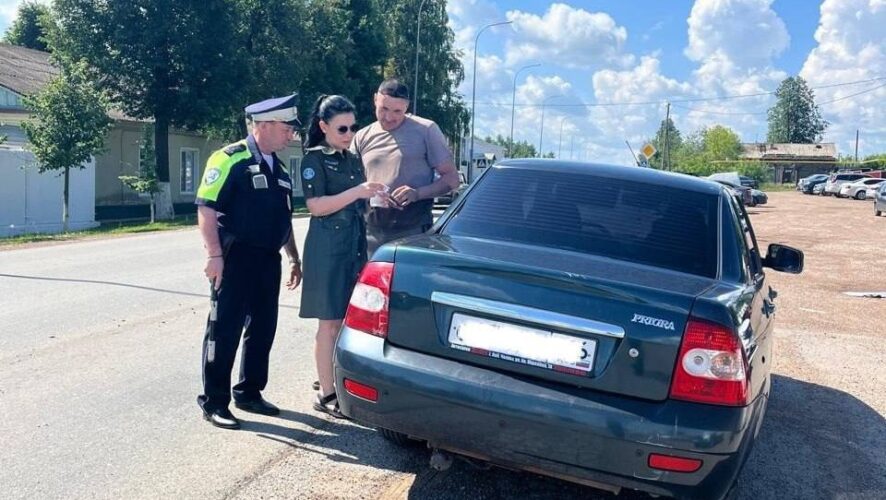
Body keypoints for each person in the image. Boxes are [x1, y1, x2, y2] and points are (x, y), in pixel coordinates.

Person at [195, 94, 303, 430]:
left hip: (268, 259)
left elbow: (283, 218)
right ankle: (214, 402)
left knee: (263, 327)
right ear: (265, 125)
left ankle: (249, 392)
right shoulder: (229, 159)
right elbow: (206, 207)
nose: (291, 135)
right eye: (287, 128)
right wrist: (214, 255)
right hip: (235, 257)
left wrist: (294, 257)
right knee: (224, 329)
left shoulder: (280, 169)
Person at [299, 95, 386, 418]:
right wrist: (357, 192)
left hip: (353, 245)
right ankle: (327, 393)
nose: (349, 134)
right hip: (327, 248)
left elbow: (357, 202)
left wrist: (377, 196)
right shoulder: (314, 160)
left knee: (350, 320)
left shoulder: (351, 159)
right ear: (323, 126)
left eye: (352, 127)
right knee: (330, 322)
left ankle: (337, 379)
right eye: (342, 129)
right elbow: (316, 206)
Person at [351, 78, 460, 256]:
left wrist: (417, 194)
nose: (389, 117)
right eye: (383, 109)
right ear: (375, 99)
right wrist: (365, 192)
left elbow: (452, 179)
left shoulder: (426, 130)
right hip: (371, 232)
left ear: (407, 107)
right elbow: (351, 182)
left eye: (397, 111)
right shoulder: (362, 136)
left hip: (413, 232)